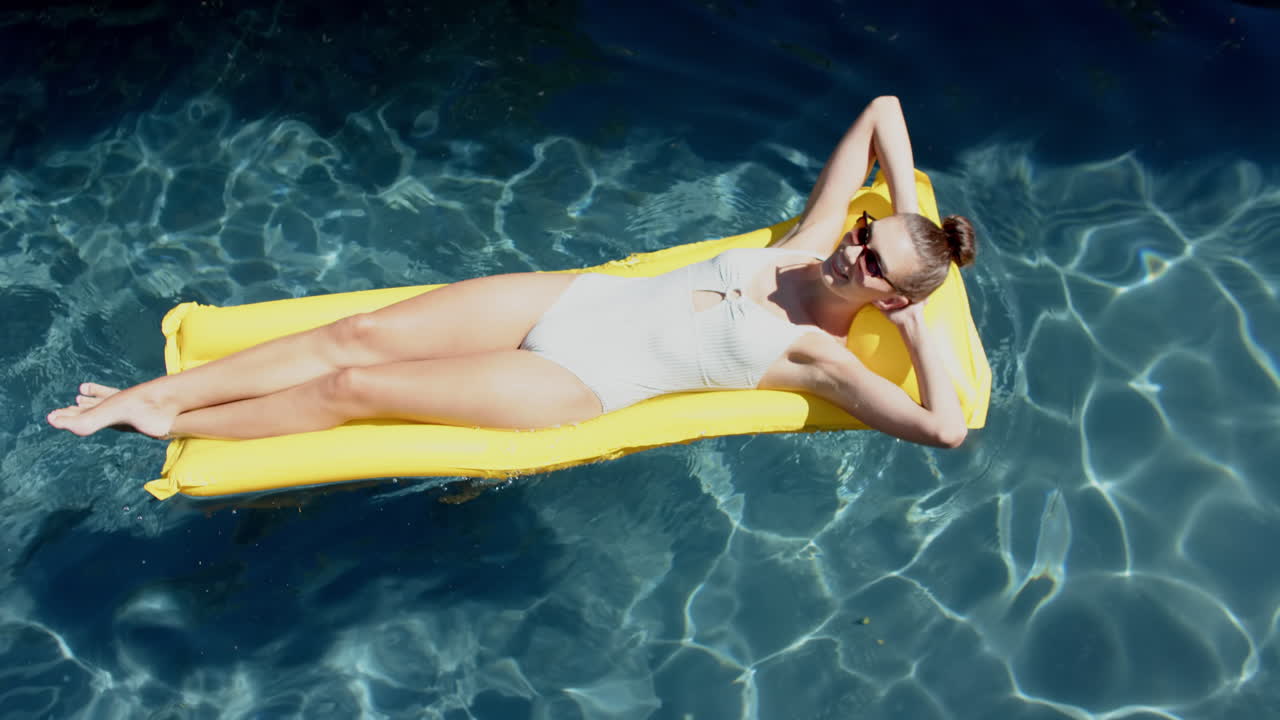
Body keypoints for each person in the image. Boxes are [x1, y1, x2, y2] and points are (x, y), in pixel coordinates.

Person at [47, 95, 977, 448]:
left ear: (888, 296)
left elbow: (945, 430)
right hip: (578, 298)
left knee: (356, 384)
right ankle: (155, 394)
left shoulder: (829, 358)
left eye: (874, 262)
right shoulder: (812, 243)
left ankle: (173, 426)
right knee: (359, 332)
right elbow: (887, 111)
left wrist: (921, 329)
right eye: (866, 234)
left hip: (580, 379)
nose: (856, 249)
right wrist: (911, 219)